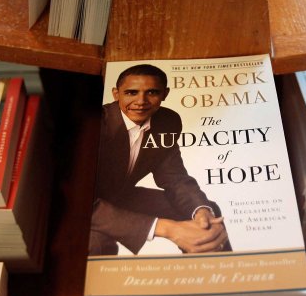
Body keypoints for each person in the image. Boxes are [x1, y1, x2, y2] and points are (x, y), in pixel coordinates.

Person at [89, 64, 230, 256]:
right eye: (131, 92)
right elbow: (78, 200)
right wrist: (167, 228)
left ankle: (218, 274)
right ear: (116, 94)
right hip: (85, 205)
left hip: (121, 196)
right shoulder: (96, 124)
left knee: (207, 212)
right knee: (97, 244)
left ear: (165, 94)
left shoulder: (167, 121)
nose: (141, 101)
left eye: (152, 92)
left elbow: (174, 177)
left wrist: (200, 211)